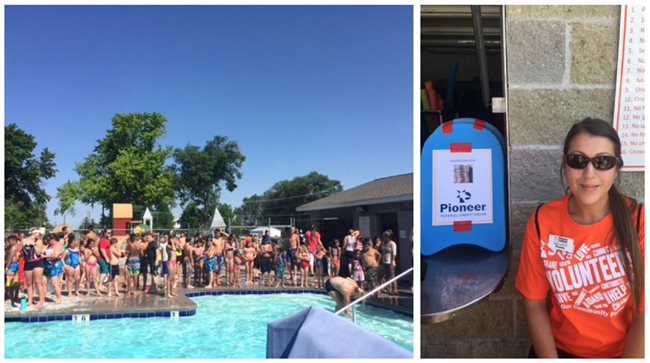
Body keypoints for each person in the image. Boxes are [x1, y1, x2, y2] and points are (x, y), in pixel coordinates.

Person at [515, 118, 644, 358]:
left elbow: (644, 316)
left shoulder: (639, 222)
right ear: (565, 166)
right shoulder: (542, 221)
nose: (589, 173)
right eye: (578, 160)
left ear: (616, 170)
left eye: (603, 162)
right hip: (559, 351)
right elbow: (534, 304)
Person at [22, 228, 47, 307]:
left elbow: (38, 253)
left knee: (38, 282)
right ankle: (30, 300)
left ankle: (41, 300)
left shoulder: (39, 241)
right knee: (29, 283)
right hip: (28, 262)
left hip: (37, 262)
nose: (39, 235)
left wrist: (34, 244)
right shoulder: (24, 240)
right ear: (34, 232)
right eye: (38, 233)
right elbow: (22, 251)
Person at [380, 230, 398, 295]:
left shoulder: (392, 244)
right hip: (384, 261)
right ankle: (389, 289)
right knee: (387, 276)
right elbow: (382, 252)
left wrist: (392, 262)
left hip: (390, 262)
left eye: (384, 237)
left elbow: (394, 254)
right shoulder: (384, 243)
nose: (383, 238)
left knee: (392, 276)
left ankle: (395, 289)